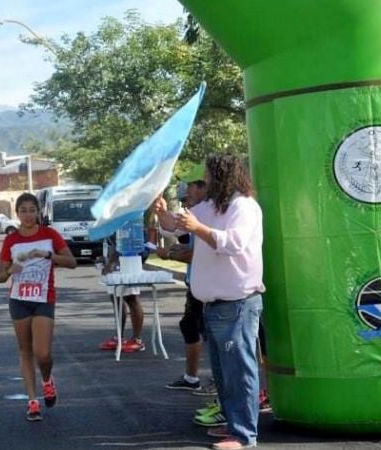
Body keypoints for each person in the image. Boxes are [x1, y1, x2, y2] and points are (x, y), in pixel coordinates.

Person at [154, 154, 265, 450]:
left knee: (239, 371)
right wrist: (162, 213)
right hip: (214, 305)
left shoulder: (244, 207)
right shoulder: (209, 207)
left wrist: (197, 228)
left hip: (238, 303)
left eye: (208, 178)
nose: (204, 184)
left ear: (223, 178)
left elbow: (233, 243)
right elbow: (174, 227)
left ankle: (244, 436)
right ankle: (233, 425)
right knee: (222, 373)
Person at [0, 193, 77, 421]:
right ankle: (32, 401)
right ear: (17, 213)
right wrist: (10, 269)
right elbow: (0, 277)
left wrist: (48, 255)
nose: (28, 215)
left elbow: (72, 262)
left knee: (43, 353)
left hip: (44, 298)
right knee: (25, 351)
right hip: (19, 300)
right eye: (23, 210)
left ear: (38, 211)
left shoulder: (49, 234)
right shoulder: (11, 240)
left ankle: (47, 379)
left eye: (32, 210)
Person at [157, 180, 212, 391]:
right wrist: (161, 211)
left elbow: (202, 253)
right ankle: (191, 378)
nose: (186, 199)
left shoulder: (212, 214)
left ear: (203, 188)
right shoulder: (195, 214)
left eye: (190, 190)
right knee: (191, 327)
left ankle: (222, 386)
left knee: (218, 337)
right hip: (197, 284)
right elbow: (173, 230)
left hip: (214, 287)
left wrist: (170, 253)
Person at [98, 222, 150, 353]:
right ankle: (119, 337)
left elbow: (124, 240)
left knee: (131, 298)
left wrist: (111, 262)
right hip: (112, 262)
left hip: (128, 261)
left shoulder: (126, 215)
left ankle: (137, 339)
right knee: (115, 298)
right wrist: (105, 259)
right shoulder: (109, 216)